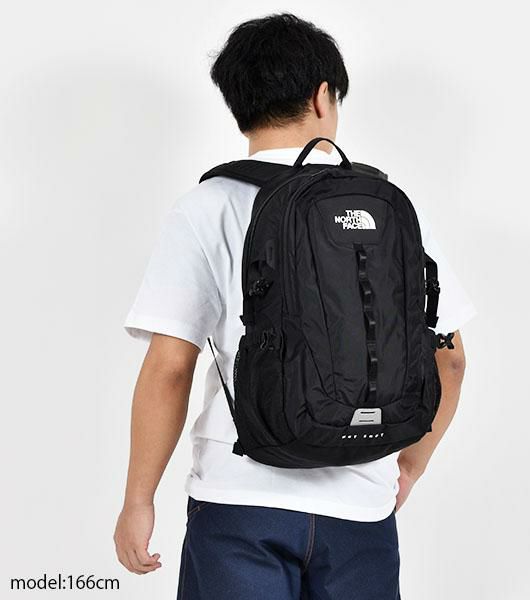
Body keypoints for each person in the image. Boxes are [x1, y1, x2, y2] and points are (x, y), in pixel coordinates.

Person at [113, 13, 476, 600]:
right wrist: (408, 466)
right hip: (361, 506)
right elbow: (450, 359)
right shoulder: (390, 206)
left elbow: (170, 369)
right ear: (322, 96)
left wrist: (138, 500)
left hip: (240, 503)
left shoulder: (207, 207)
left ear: (239, 106)